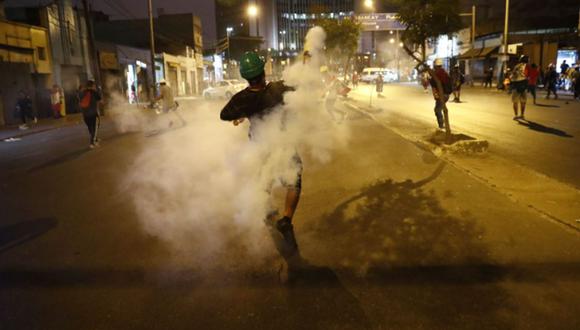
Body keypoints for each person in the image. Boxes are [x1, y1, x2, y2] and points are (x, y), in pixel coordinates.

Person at [220, 51, 303, 268]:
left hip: (260, 145)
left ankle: (265, 207)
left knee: (264, 177)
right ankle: (286, 219)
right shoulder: (278, 88)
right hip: (283, 142)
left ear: (245, 76)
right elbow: (299, 85)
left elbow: (224, 114)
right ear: (263, 71)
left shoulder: (242, 98)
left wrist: (245, 112)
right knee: (294, 181)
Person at [428, 58, 452, 130]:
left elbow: (434, 83)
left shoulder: (436, 74)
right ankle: (442, 124)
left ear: (435, 66)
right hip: (446, 94)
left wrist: (430, 78)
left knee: (437, 110)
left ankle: (441, 125)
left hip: (441, 94)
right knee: (439, 109)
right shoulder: (445, 73)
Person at [78, 79, 102, 149]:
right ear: (93, 85)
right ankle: (92, 143)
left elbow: (80, 101)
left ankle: (95, 138)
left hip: (85, 114)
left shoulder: (81, 92)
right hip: (92, 113)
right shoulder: (94, 92)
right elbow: (100, 100)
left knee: (90, 127)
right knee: (94, 128)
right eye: (94, 85)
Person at [510, 55, 529, 120]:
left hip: (516, 85)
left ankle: (516, 115)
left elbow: (512, 77)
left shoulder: (517, 66)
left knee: (515, 101)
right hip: (524, 85)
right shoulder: (528, 67)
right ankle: (522, 115)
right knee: (523, 102)